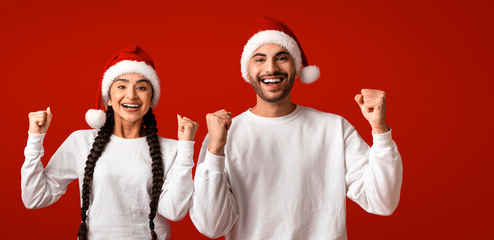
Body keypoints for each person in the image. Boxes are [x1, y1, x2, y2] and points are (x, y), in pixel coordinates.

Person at [189, 16, 403, 239]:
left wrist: (380, 131)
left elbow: (383, 202)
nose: (271, 68)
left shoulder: (334, 129)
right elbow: (212, 227)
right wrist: (215, 150)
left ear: (296, 66)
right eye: (260, 59)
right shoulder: (223, 136)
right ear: (247, 69)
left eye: (281, 58)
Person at [21, 45, 199, 240]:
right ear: (109, 99)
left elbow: (175, 212)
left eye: (141, 87)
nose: (131, 95)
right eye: (122, 86)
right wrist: (35, 139)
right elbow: (35, 198)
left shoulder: (172, 149)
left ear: (151, 99)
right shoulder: (81, 142)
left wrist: (185, 148)